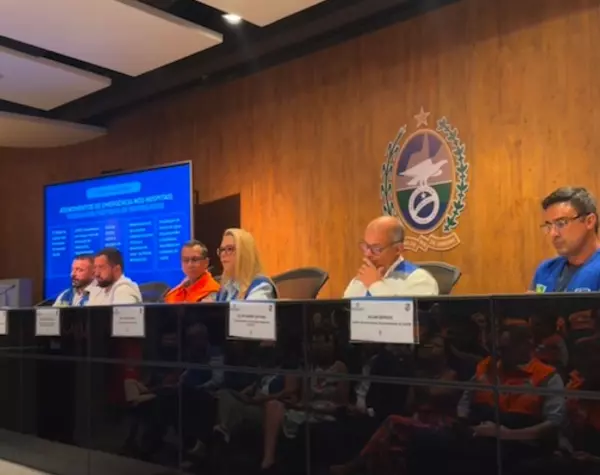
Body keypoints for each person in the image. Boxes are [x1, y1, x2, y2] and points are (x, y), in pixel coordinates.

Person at [343, 216, 439, 297]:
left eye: (376, 248)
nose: (367, 253)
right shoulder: (360, 280)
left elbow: (402, 312)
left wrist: (375, 285)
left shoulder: (420, 280)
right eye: (365, 246)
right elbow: (345, 311)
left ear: (398, 249)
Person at [531, 187, 600, 292]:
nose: (553, 233)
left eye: (561, 223)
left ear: (589, 221)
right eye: (549, 226)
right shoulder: (545, 270)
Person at [214, 228, 277, 301]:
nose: (223, 254)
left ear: (245, 253)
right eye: (222, 250)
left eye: (230, 249)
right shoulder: (225, 289)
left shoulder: (260, 287)